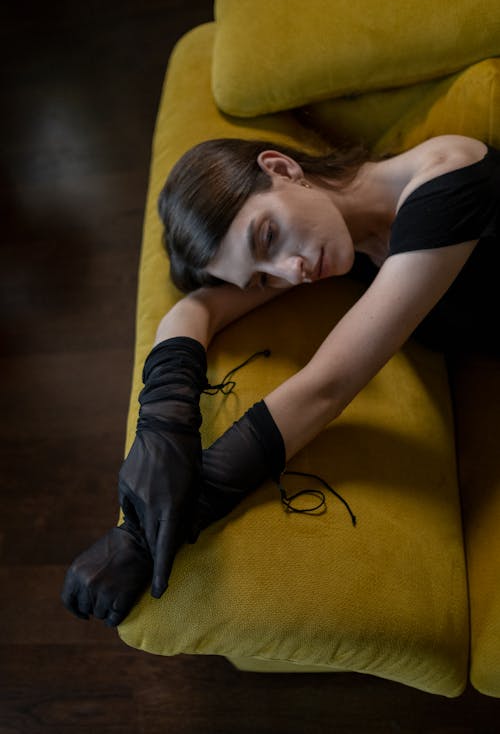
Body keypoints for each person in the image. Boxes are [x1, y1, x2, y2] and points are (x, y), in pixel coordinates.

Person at [61, 133, 500, 627]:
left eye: (266, 237)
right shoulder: (342, 239)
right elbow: (193, 311)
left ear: (282, 168)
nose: (291, 273)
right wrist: (162, 427)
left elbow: (327, 388)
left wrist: (142, 539)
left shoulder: (447, 180)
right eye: (261, 279)